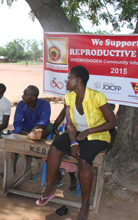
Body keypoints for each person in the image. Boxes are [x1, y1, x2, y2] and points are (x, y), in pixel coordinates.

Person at [36, 66, 117, 220]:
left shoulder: (97, 96)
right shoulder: (69, 97)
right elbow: (70, 125)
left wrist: (89, 131)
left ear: (78, 80)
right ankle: (50, 187)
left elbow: (112, 122)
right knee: (55, 147)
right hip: (77, 134)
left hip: (98, 136)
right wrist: (73, 142)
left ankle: (85, 205)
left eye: (69, 77)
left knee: (85, 160)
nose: (66, 81)